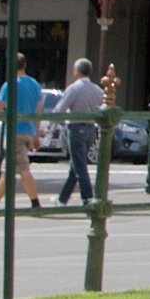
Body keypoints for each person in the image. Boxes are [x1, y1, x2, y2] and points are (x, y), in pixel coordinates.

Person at [0, 52, 44, 212]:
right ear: (25, 65)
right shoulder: (35, 84)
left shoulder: (10, 84)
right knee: (8, 169)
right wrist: (36, 134)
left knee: (22, 169)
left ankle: (35, 204)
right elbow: (38, 111)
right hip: (29, 131)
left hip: (15, 132)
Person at [54, 59, 106, 207]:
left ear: (76, 71)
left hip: (76, 128)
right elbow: (104, 107)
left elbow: (59, 110)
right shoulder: (97, 90)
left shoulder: (74, 88)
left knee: (80, 166)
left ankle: (87, 198)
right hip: (91, 128)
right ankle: (62, 199)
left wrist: (62, 123)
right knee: (76, 165)